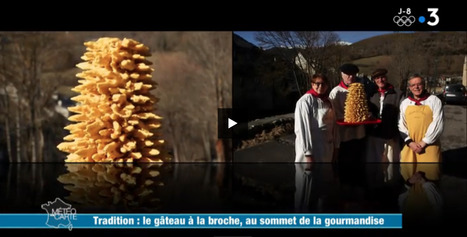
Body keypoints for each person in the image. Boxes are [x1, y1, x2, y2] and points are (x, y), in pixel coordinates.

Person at [398, 74, 444, 163]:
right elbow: (401, 124)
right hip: (410, 147)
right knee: (409, 174)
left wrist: (424, 142)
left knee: (430, 174)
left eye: (419, 84)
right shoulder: (405, 103)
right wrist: (410, 143)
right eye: (413, 85)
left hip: (429, 147)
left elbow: (438, 124)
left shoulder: (434, 101)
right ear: (409, 88)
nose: (416, 87)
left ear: (424, 85)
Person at [329, 63, 368, 163]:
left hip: (359, 134)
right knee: (346, 162)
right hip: (344, 135)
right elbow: (335, 112)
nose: (351, 77)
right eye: (348, 74)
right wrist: (350, 119)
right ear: (342, 74)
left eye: (353, 75)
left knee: (359, 161)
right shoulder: (336, 92)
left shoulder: (361, 89)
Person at [294, 73, 336, 163]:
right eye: (317, 84)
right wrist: (308, 154)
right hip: (313, 147)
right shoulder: (305, 101)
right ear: (312, 84)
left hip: (326, 147)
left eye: (323, 84)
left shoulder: (328, 101)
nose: (320, 86)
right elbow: (303, 129)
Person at [366, 68, 404, 163]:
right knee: (375, 164)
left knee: (391, 164)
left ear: (386, 78)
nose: (380, 80)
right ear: (374, 80)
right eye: (377, 78)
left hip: (391, 135)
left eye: (382, 77)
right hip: (374, 134)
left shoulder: (397, 94)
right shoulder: (371, 94)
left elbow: (403, 114)